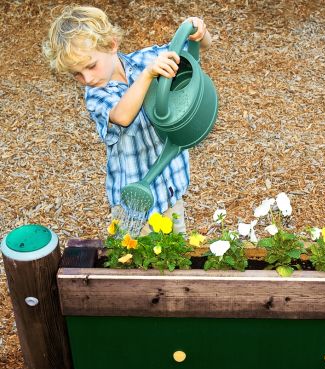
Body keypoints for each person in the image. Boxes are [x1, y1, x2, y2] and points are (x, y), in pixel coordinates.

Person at [43, 5, 212, 234]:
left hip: (170, 187)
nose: (87, 78)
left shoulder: (147, 59)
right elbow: (123, 116)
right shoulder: (96, 95)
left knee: (175, 254)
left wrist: (199, 32)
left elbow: (194, 48)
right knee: (135, 262)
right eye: (77, 74)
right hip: (135, 203)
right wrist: (148, 75)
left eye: (91, 66)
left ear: (112, 45)